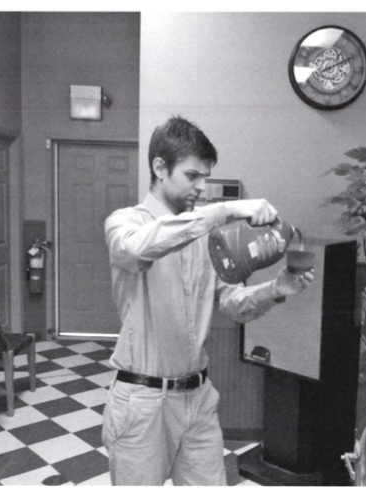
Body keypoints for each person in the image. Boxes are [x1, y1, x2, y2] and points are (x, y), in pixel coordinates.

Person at [102, 116, 314, 486]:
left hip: (198, 399)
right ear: (160, 168)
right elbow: (135, 250)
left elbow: (231, 302)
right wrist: (226, 210)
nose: (201, 186)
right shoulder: (124, 223)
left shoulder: (206, 238)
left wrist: (276, 289)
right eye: (192, 175)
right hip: (142, 402)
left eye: (205, 176)